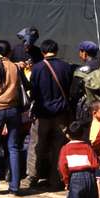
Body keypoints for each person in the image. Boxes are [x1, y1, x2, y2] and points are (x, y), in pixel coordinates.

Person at [26, 39, 73, 189]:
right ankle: (56, 179)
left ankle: (32, 177)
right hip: (61, 114)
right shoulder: (67, 67)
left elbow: (33, 92)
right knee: (58, 147)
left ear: (42, 51)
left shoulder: (37, 68)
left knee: (36, 145)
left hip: (42, 113)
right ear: (57, 50)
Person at [0, 40, 25, 195]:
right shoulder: (15, 67)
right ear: (9, 53)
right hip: (14, 110)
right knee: (13, 148)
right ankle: (14, 187)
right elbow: (26, 86)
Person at [58, 121, 100, 198]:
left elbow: (62, 166)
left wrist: (66, 181)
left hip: (75, 178)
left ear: (68, 135)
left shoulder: (65, 148)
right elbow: (96, 163)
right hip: (90, 177)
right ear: (83, 134)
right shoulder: (87, 147)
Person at [71, 41, 100, 123]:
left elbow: (74, 94)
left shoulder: (80, 72)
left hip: (89, 112)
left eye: (80, 51)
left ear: (84, 53)